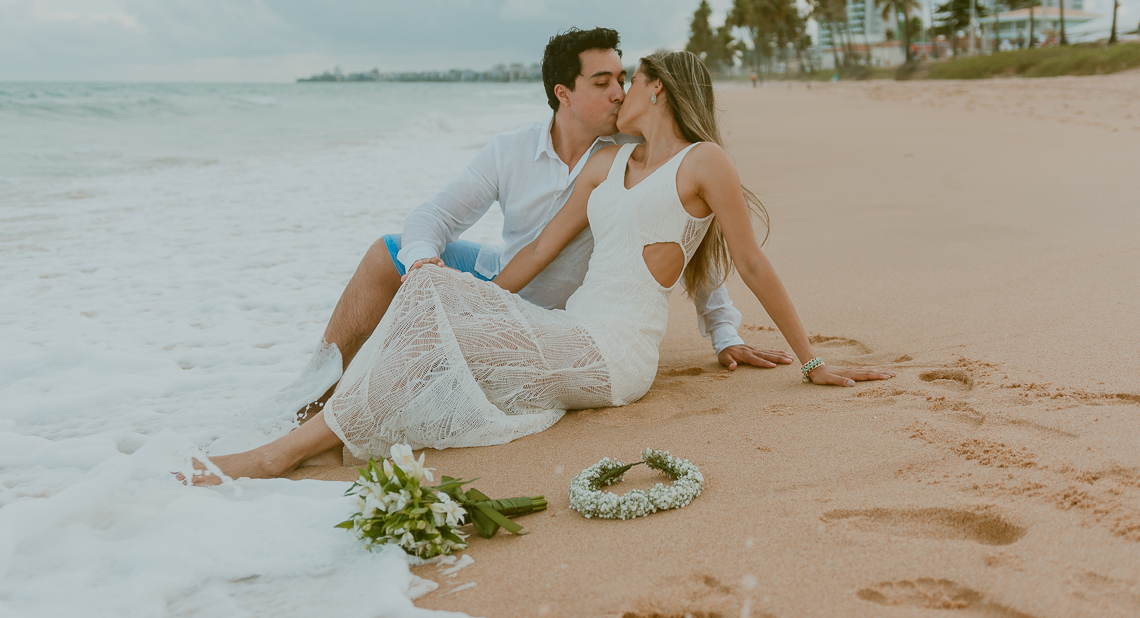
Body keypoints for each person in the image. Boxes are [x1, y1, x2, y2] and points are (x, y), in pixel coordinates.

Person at [187, 51, 893, 483]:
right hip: (569, 330)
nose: (621, 92)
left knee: (436, 326)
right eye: (611, 81)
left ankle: (283, 453)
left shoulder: (704, 163)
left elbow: (750, 264)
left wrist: (809, 362)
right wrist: (460, 293)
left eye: (632, 80)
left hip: (618, 355)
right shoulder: (608, 165)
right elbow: (535, 253)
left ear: (660, 92)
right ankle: (320, 424)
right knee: (429, 305)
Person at [296, 29, 785, 429]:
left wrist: (723, 331)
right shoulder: (511, 150)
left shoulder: (631, 155)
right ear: (563, 93)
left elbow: (684, 232)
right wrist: (424, 261)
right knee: (389, 252)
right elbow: (435, 216)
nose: (618, 92)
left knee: (432, 347)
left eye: (622, 78)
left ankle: (345, 416)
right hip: (506, 282)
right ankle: (312, 398)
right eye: (601, 82)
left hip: (568, 323)